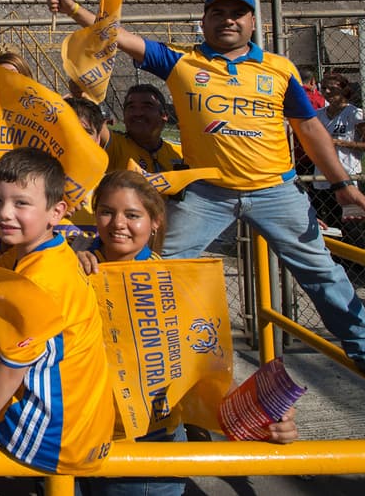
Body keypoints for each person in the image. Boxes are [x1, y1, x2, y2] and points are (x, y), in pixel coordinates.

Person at [49, 0, 365, 400]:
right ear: (205, 21)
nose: (228, 20)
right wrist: (74, 11)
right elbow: (116, 37)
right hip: (207, 193)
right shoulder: (182, 62)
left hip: (276, 191)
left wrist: (341, 185)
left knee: (324, 274)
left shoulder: (279, 68)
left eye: (238, 13)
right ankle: (125, 359)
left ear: (252, 22)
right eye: (219, 13)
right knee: (156, 270)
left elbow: (310, 130)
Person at [75, 171, 296, 496]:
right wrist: (66, 259)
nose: (117, 223)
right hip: (78, 434)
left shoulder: (176, 284)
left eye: (132, 215)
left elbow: (207, 365)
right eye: (107, 211)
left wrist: (261, 420)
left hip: (150, 440)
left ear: (155, 222)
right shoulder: (72, 265)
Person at [0, 147, 113, 480]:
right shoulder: (38, 252)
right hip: (77, 422)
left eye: (21, 203)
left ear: (57, 212)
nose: (4, 213)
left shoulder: (42, 279)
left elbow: (12, 369)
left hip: (54, 435)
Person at [311, 73, 365, 248]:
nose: (326, 92)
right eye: (323, 87)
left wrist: (339, 142)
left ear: (344, 90)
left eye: (332, 88)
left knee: (350, 227)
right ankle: (335, 264)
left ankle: (356, 270)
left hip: (346, 175)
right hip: (322, 177)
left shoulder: (354, 114)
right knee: (328, 226)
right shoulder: (318, 115)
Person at [105, 85, 185, 175]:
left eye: (147, 107)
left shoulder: (181, 153)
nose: (138, 113)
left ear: (164, 115)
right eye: (131, 107)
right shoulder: (114, 145)